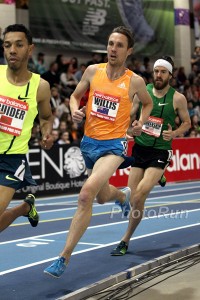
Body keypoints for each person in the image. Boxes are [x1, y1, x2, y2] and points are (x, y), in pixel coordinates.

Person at [44, 25, 153, 278]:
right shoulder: (93, 71)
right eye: (110, 43)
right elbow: (74, 96)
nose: (113, 49)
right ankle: (123, 197)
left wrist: (140, 123)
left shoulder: (135, 81)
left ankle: (63, 257)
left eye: (119, 45)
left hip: (114, 145)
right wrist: (74, 109)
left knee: (86, 195)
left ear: (129, 51)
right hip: (89, 143)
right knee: (103, 196)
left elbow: (147, 104)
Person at [110, 56, 191, 256]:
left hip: (160, 151)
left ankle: (125, 239)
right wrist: (131, 128)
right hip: (140, 149)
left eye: (163, 72)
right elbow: (131, 114)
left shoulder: (177, 98)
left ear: (170, 75)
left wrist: (174, 133)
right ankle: (159, 175)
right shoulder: (143, 91)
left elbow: (187, 123)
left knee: (139, 195)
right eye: (156, 71)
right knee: (132, 198)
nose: (158, 75)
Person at [0, 24, 53, 233]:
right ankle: (25, 207)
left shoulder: (41, 86)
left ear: (30, 49)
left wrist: (46, 133)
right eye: (7, 45)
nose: (12, 50)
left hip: (12, 161)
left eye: (18, 45)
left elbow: (46, 117)